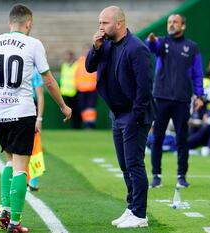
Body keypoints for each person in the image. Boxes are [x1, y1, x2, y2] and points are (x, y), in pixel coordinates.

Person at [0, 4, 71, 232]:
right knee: (21, 168)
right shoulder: (33, 44)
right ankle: (15, 223)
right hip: (23, 112)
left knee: (9, 161)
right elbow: (48, 81)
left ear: (10, 23)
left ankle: (6, 211)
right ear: (29, 24)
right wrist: (63, 106)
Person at [85, 6, 154, 228]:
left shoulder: (137, 48)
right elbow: (89, 67)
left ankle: (140, 215)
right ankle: (131, 207)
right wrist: (94, 48)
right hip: (116, 114)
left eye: (104, 23)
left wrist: (136, 116)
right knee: (125, 165)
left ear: (119, 23)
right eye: (99, 23)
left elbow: (145, 88)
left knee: (134, 164)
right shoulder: (104, 45)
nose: (100, 27)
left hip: (133, 114)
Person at [145, 14, 204, 188]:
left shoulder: (192, 47)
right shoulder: (161, 43)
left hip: (182, 99)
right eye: (169, 22)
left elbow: (198, 74)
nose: (171, 25)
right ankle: (156, 176)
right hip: (161, 97)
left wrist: (199, 95)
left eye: (175, 22)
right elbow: (151, 47)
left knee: (182, 139)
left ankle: (182, 176)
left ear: (183, 26)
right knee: (157, 138)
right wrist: (150, 41)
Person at [27, 69, 45, 191]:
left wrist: (39, 118)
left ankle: (33, 180)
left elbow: (40, 96)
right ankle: (23, 178)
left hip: (30, 109)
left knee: (32, 144)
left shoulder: (34, 72)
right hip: (16, 108)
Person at [74, 45, 98, 129]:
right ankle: (86, 123)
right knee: (83, 107)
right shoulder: (79, 61)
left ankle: (90, 124)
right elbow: (75, 74)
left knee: (90, 107)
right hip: (81, 88)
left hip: (91, 88)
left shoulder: (94, 60)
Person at [60, 50, 82, 128]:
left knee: (76, 110)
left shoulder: (76, 65)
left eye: (67, 55)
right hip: (66, 91)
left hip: (74, 91)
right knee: (69, 110)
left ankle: (77, 126)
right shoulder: (64, 65)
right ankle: (73, 126)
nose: (66, 57)